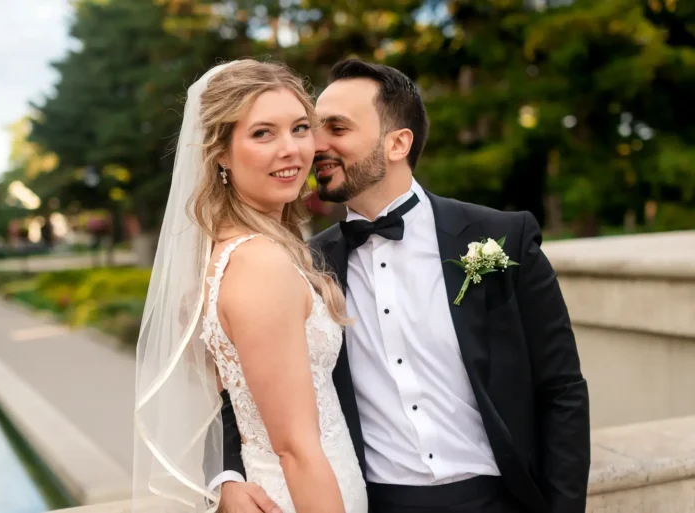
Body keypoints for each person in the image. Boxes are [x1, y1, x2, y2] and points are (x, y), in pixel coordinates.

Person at [216, 60, 590, 513]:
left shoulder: (503, 238)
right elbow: (246, 383)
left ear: (397, 143)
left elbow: (561, 388)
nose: (315, 145)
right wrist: (228, 475)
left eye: (336, 128)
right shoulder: (300, 265)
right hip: (375, 503)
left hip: (499, 499)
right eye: (313, 128)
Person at [132, 59, 367, 513]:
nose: (291, 150)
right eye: (263, 133)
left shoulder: (242, 249)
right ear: (221, 153)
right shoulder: (260, 263)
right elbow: (295, 449)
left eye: (300, 128)